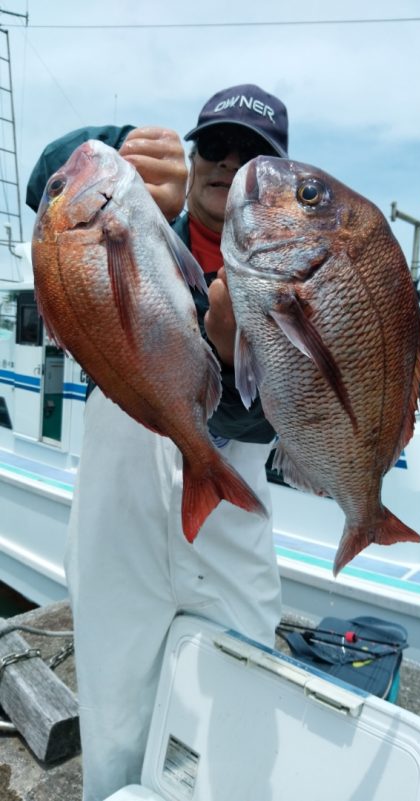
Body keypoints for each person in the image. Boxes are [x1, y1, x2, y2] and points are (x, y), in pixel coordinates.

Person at [27, 83, 289, 801]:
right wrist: (123, 139)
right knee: (112, 726)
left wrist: (233, 348)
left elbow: (263, 421)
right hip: (119, 524)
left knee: (243, 725)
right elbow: (46, 178)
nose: (227, 163)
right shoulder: (131, 210)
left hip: (228, 531)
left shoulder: (288, 272)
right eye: (214, 145)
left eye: (253, 156)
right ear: (190, 148)